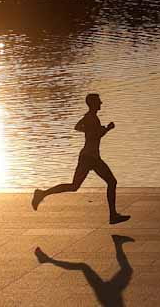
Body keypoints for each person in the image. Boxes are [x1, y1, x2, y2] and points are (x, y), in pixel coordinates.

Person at [32, 92, 129, 223]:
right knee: (111, 182)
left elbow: (78, 127)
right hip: (90, 158)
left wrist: (91, 130)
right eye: (99, 101)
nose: (101, 103)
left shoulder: (90, 117)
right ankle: (112, 216)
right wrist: (107, 128)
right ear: (94, 104)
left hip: (89, 157)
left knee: (75, 186)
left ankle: (42, 193)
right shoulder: (92, 118)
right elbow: (96, 135)